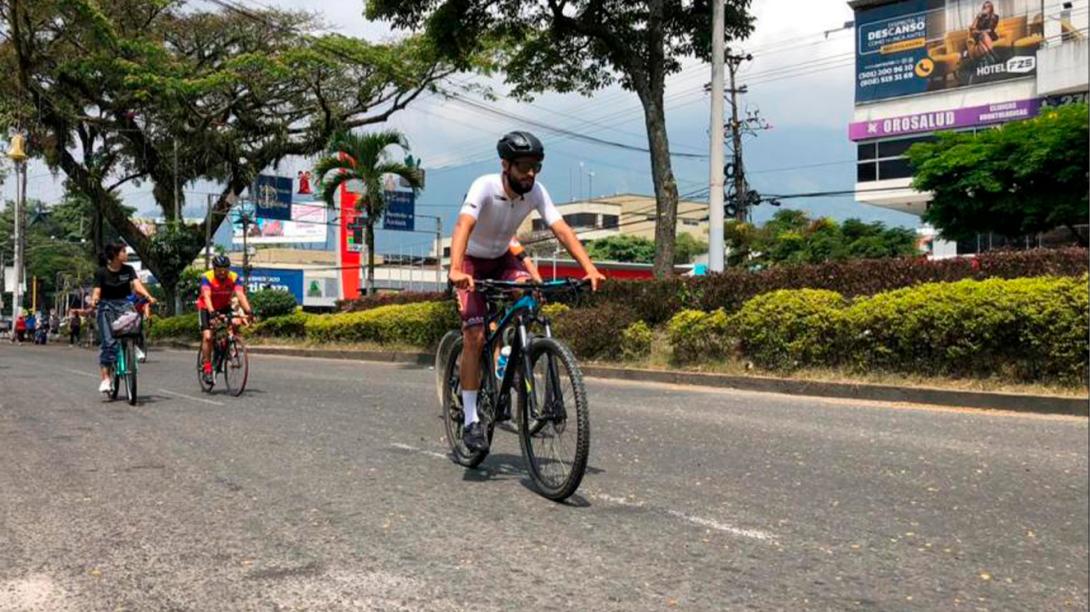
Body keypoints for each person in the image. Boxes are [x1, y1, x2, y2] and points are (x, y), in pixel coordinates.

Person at [449, 130, 605, 453]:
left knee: (529, 292)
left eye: (536, 166)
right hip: (472, 263)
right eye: (523, 166)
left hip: (502, 259)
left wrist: (588, 267)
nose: (530, 173)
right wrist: (456, 270)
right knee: (475, 336)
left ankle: (518, 356)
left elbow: (561, 228)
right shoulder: (485, 187)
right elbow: (463, 226)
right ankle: (470, 419)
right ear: (505, 165)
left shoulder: (536, 192)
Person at [89, 243, 158, 393]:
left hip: (124, 304)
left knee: (136, 321)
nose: (126, 254)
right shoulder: (101, 272)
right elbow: (96, 291)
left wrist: (148, 296)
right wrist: (95, 299)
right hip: (106, 306)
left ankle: (135, 347)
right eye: (123, 251)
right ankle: (106, 379)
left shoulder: (129, 269)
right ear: (114, 255)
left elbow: (137, 285)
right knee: (109, 343)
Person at [197, 255, 254, 384]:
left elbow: (240, 295)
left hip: (224, 306)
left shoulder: (234, 277)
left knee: (235, 322)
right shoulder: (207, 277)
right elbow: (206, 296)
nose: (223, 272)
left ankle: (226, 347)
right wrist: (212, 312)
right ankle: (206, 367)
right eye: (219, 269)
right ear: (214, 268)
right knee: (207, 337)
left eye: (225, 269)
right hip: (207, 307)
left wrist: (249, 311)